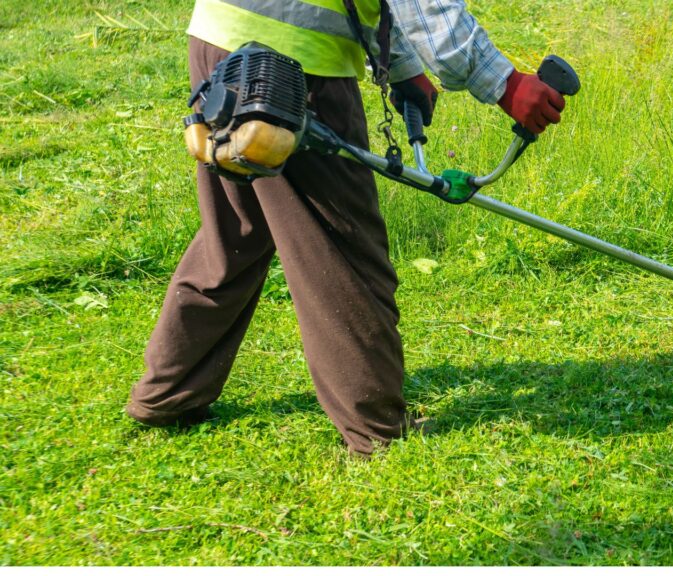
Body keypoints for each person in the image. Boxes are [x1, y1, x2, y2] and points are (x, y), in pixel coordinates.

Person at [124, 0, 567, 457]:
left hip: (220, 39)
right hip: (292, 64)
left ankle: (168, 393)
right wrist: (506, 83)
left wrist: (399, 64)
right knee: (342, 247)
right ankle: (374, 427)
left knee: (236, 231)